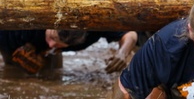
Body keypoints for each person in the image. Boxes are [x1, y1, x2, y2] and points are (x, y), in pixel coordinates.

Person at [0, 29, 137, 74]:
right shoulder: (21, 29)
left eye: (59, 43)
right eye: (52, 37)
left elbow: (130, 34)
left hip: (44, 45)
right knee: (15, 73)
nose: (52, 44)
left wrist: (122, 53)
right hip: (14, 39)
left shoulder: (95, 29)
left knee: (52, 74)